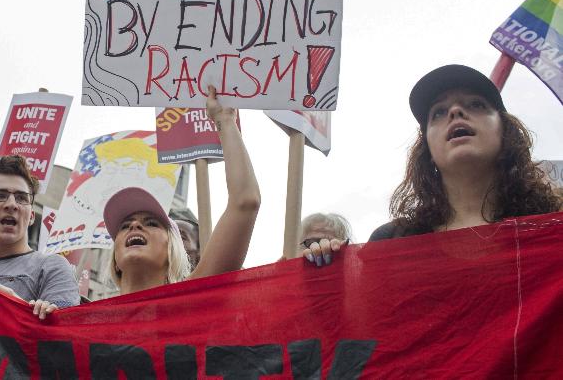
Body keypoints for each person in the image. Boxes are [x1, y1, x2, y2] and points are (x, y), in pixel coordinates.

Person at [306, 64, 561, 266]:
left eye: (476, 104)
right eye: (438, 112)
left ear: (505, 130)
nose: (456, 112)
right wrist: (319, 277)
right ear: (427, 147)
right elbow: (357, 322)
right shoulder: (392, 242)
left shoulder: (551, 227)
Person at [104, 86, 261, 295]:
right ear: (115, 261)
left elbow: (245, 202)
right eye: (124, 226)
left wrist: (225, 119)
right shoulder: (84, 319)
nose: (134, 225)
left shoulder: (192, 298)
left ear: (172, 251)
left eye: (151, 223)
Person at [0, 156, 79, 319]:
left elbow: (64, 335)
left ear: (32, 216)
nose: (12, 204)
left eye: (21, 198)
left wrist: (0, 292)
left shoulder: (51, 266)